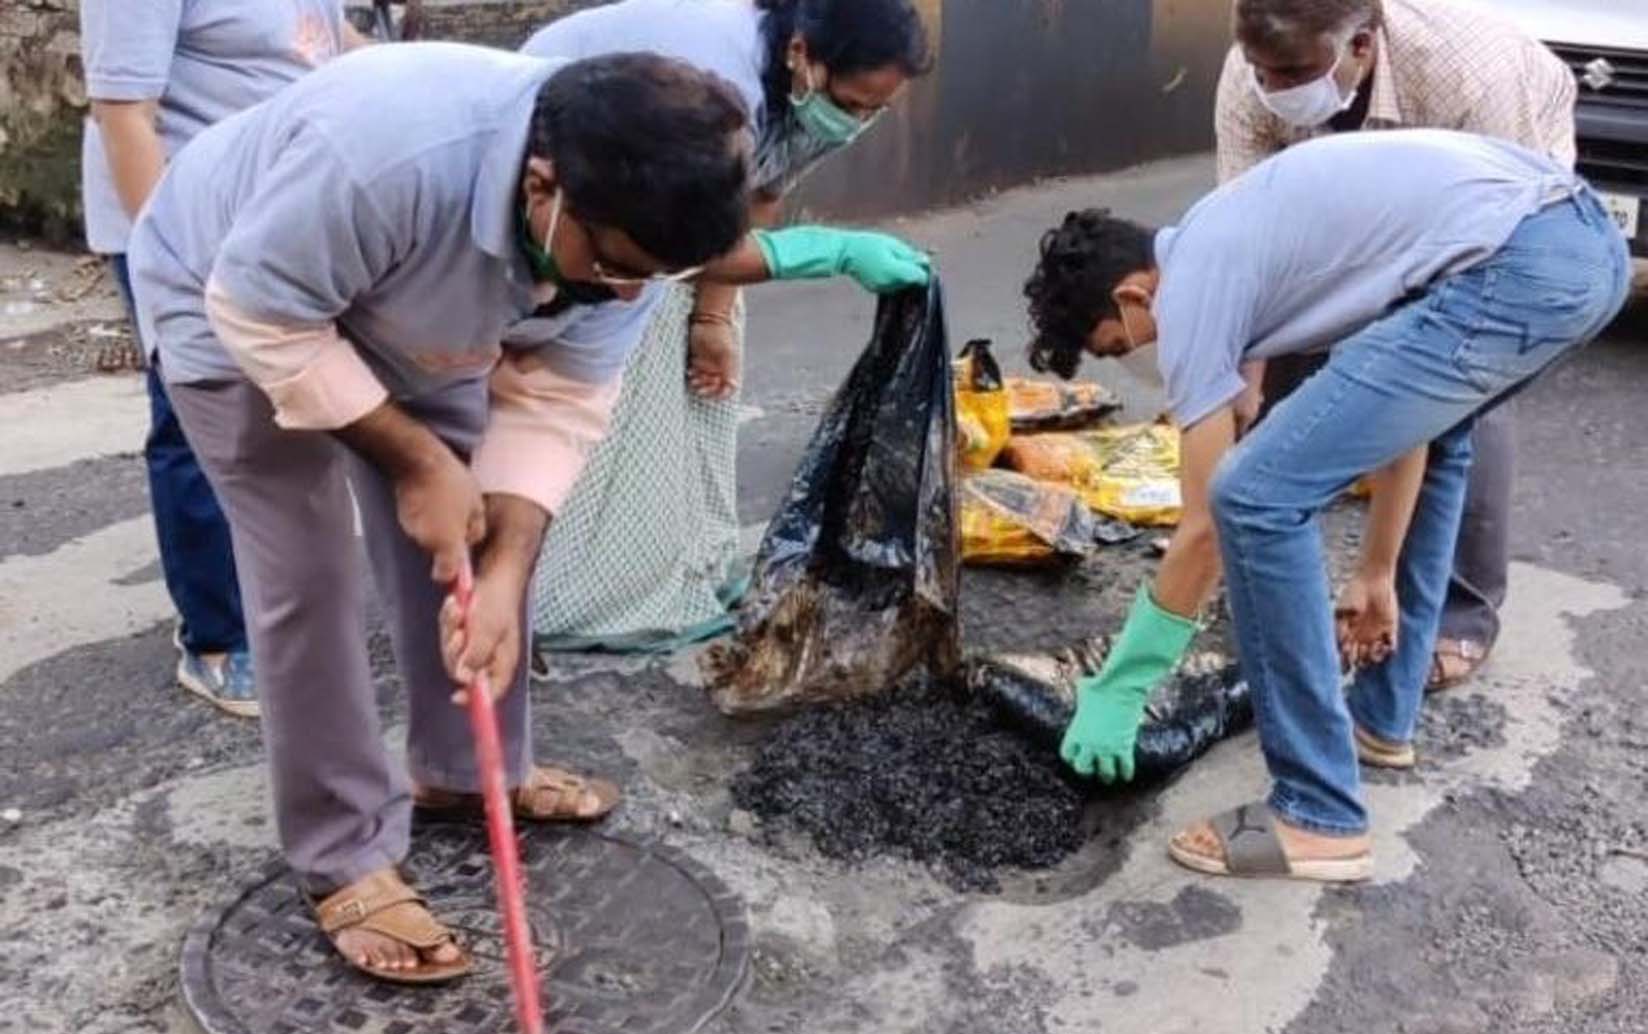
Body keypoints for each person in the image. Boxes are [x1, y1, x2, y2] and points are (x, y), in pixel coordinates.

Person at [128, 40, 927, 983]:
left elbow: (555, 403)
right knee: (308, 570)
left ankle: (468, 771)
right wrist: (416, 459)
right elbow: (262, 312)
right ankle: (344, 849)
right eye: (618, 268)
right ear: (543, 186)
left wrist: (503, 578)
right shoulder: (382, 154)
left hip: (428, 313)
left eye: (652, 277)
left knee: (484, 541)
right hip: (233, 294)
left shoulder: (632, 242)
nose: (627, 295)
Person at [1022, 130, 1629, 881]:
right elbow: (1408, 427)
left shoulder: (1194, 283)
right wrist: (1375, 571)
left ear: (1133, 296)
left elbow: (1206, 526)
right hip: (1582, 251)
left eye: (1120, 347)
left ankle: (1318, 814)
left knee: (1253, 496)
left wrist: (1122, 685)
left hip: (1521, 261)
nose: (1140, 359)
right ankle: (1381, 719)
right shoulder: (1251, 237)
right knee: (1443, 442)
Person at [520, 0, 933, 656]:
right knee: (633, 372)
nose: (857, 123)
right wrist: (828, 253)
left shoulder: (810, 98)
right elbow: (668, 242)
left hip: (671, 210)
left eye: (874, 110)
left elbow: (759, 194)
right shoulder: (716, 82)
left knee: (707, 377)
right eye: (852, 104)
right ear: (802, 55)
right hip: (597, 188)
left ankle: (694, 564)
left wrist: (713, 317)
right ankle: (589, 596)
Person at [1214, 0, 1578, 693]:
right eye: (1264, 72)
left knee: (1459, 400)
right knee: (1283, 377)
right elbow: (1248, 239)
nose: (1276, 87)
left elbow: (1493, 236)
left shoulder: (1471, 76)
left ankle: (1456, 614)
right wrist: (1245, 377)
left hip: (1493, 196)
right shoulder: (1248, 75)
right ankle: (1267, 584)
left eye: (1294, 72)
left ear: (1360, 46)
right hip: (1339, 194)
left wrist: (1375, 565)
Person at [79, 0, 370, 717]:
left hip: (281, 211)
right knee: (201, 416)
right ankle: (219, 636)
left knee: (292, 413)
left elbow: (323, 40)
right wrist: (171, 254)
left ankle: (291, 608)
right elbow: (123, 113)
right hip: (186, 221)